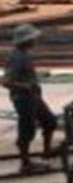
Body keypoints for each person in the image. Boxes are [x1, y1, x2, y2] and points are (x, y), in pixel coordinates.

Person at [2, 24, 57, 173]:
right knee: (27, 130)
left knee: (49, 121)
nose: (35, 41)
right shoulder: (17, 58)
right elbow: (6, 82)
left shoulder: (24, 55)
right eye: (33, 38)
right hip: (23, 99)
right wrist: (26, 86)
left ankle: (47, 151)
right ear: (26, 40)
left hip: (33, 97)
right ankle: (25, 164)